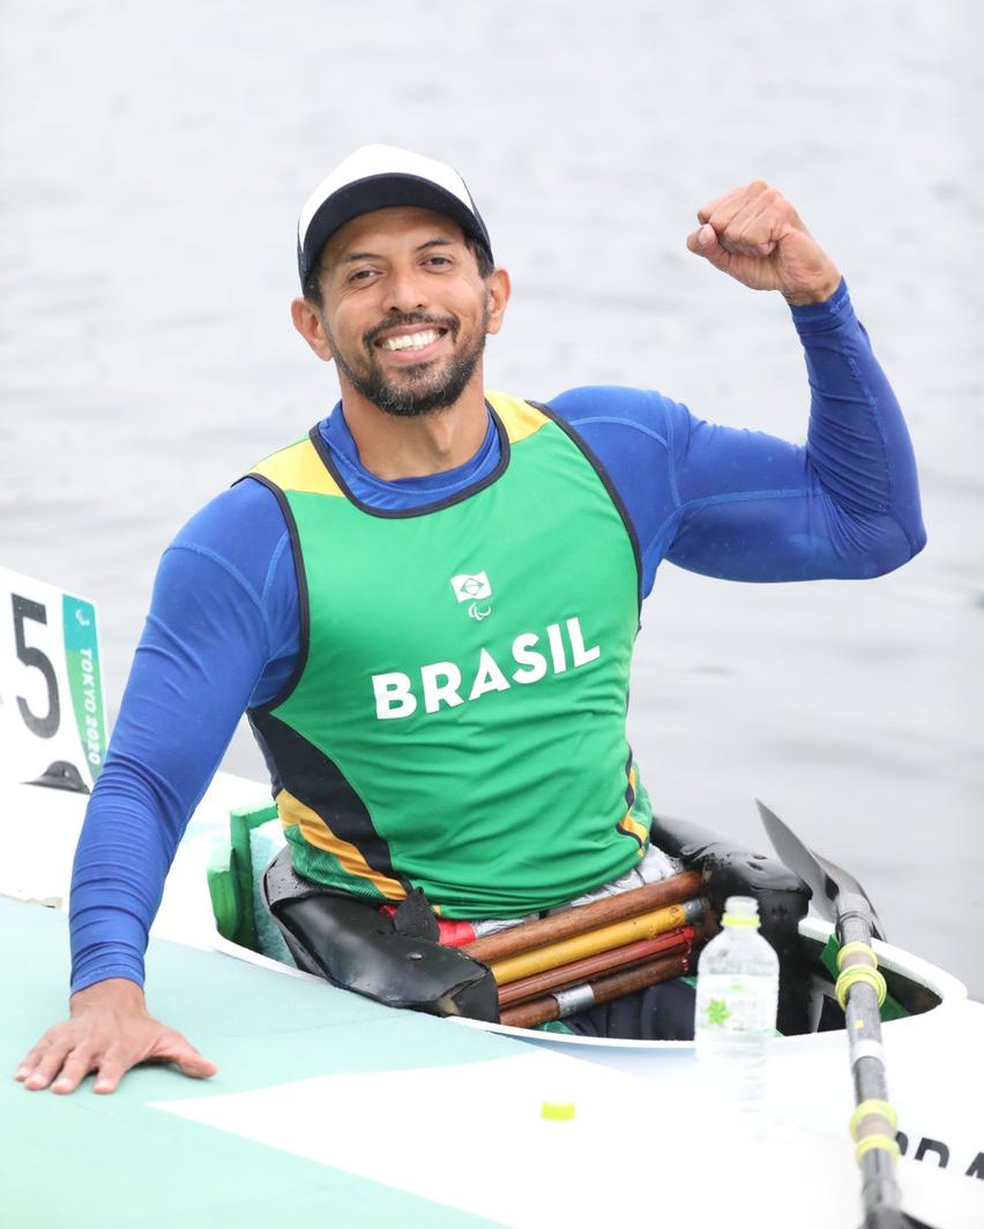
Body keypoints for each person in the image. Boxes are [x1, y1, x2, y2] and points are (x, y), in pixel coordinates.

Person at [17, 144, 925, 1094]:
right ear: (313, 327)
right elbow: (146, 787)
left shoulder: (618, 453)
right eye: (362, 275)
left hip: (634, 920)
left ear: (494, 296)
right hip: (410, 970)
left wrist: (817, 299)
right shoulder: (253, 543)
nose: (405, 295)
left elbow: (872, 526)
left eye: (435, 261)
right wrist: (107, 990)